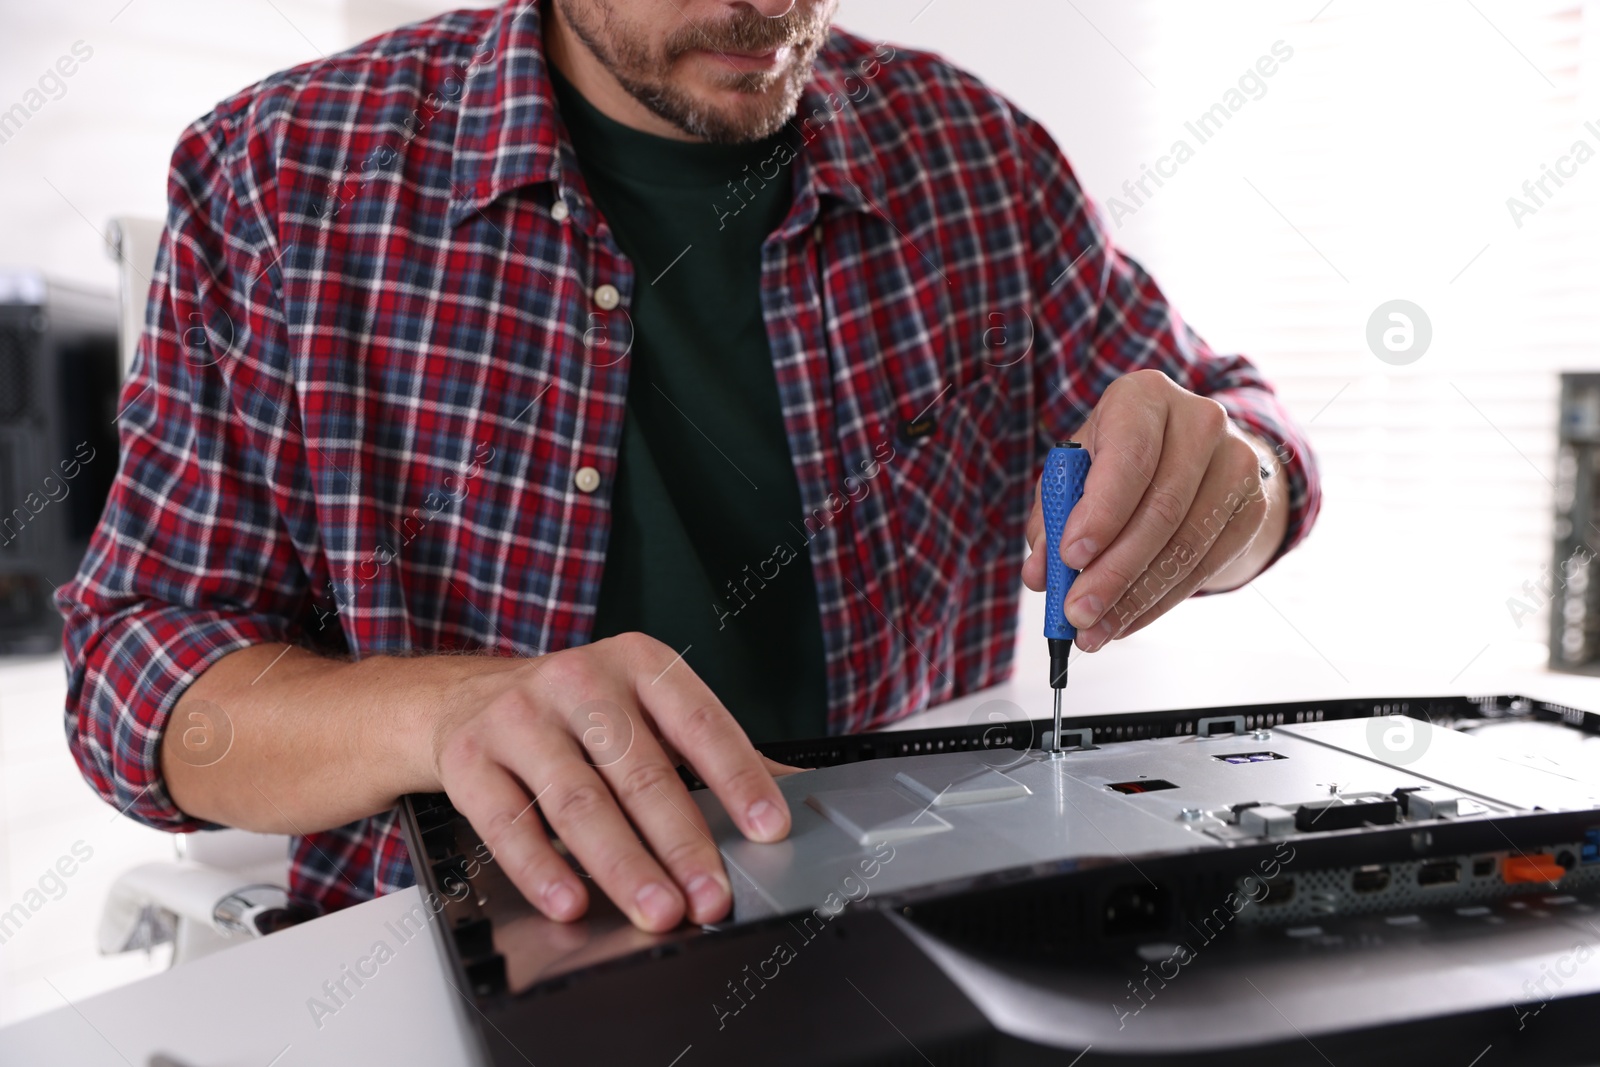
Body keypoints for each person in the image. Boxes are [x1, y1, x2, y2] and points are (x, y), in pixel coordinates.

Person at [58, 0, 1321, 935]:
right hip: (454, 965)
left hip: (911, 950)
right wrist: (442, 713)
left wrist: (1239, 483)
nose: (766, 10)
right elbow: (132, 683)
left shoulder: (979, 162)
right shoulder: (284, 176)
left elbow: (1235, 423)